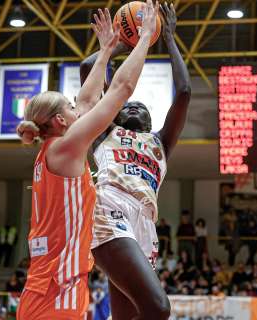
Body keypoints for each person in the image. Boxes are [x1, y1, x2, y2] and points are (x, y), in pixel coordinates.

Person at [16, 4, 157, 320]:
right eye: (68, 106)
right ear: (58, 120)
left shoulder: (54, 148)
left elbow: (86, 101)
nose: (75, 106)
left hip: (48, 286)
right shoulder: (66, 147)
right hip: (57, 291)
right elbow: (120, 89)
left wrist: (106, 51)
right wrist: (145, 37)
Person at [81, 3, 191, 319]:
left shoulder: (161, 142)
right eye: (127, 106)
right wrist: (118, 44)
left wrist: (168, 37)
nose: (133, 108)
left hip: (144, 223)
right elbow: (89, 69)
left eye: (140, 108)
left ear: (150, 121)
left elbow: (183, 91)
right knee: (158, 309)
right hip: (109, 207)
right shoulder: (105, 130)